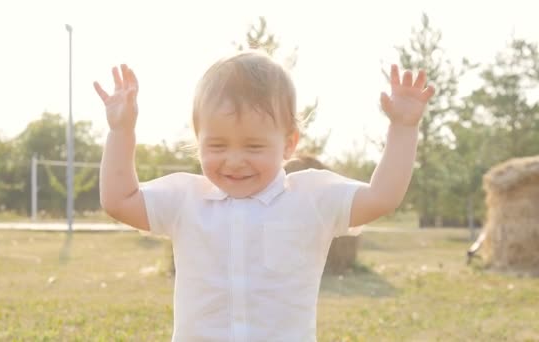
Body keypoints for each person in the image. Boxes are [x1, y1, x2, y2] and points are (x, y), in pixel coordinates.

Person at [93, 50, 435, 341]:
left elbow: (382, 196)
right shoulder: (185, 199)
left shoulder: (312, 199)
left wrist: (403, 128)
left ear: (288, 143)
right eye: (216, 145)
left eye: (254, 146)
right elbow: (119, 201)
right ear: (198, 140)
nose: (234, 160)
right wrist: (121, 131)